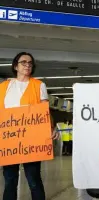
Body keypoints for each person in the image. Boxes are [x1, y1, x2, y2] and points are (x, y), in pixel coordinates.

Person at [0, 52, 58, 200]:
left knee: (33, 180)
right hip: (10, 141)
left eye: (30, 63)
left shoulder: (39, 85)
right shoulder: (4, 86)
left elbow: (44, 111)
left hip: (31, 141)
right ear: (15, 66)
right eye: (23, 62)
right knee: (10, 180)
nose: (27, 65)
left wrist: (52, 127)